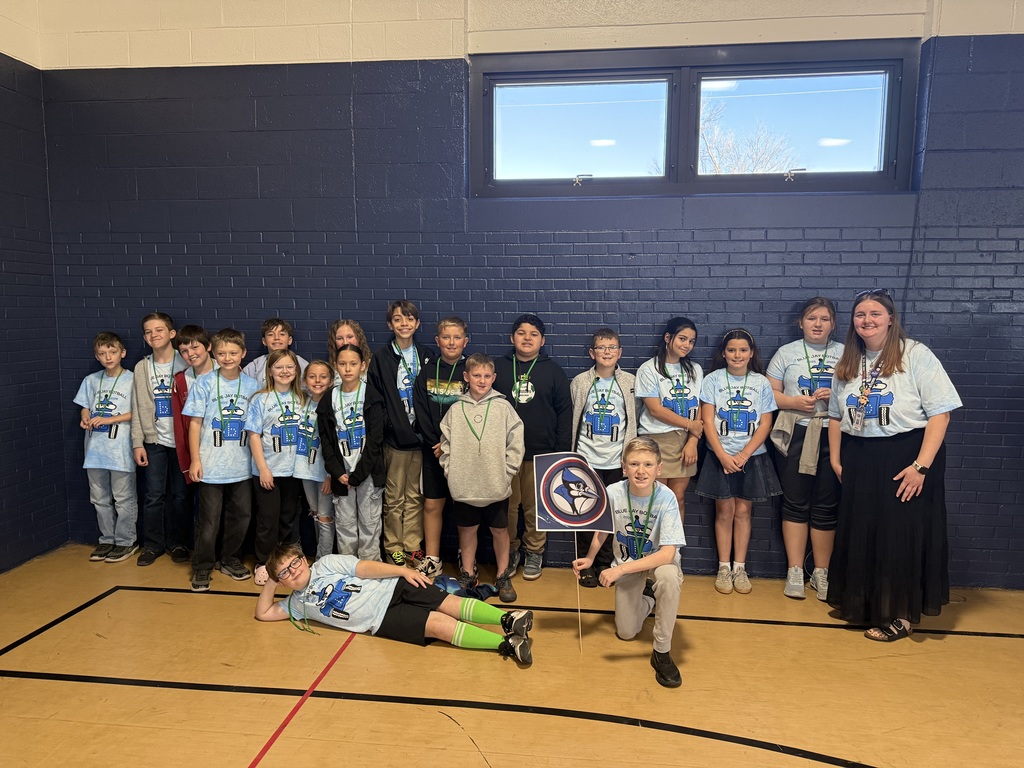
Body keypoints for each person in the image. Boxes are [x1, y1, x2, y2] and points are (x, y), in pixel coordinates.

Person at [827, 289, 961, 642]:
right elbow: (834, 416)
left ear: (890, 318)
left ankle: (901, 614)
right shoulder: (849, 360)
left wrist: (921, 467)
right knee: (865, 531)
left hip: (906, 455)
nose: (866, 320)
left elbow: (941, 414)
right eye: (860, 315)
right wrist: (838, 458)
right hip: (860, 454)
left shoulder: (915, 354)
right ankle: (869, 604)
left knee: (899, 535)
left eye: (874, 313)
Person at [254, 542, 533, 663]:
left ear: (304, 559)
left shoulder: (325, 564)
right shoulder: (296, 604)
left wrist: (403, 571)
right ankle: (506, 644)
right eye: (285, 572)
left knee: (447, 603)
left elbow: (364, 568)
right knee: (437, 625)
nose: (294, 571)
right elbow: (263, 613)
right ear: (281, 581)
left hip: (392, 586)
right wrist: (270, 578)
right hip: (381, 620)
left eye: (295, 562)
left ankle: (507, 619)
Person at [572, 437, 685, 688]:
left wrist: (618, 569)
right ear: (624, 467)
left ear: (659, 469)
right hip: (629, 563)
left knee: (668, 577)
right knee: (625, 633)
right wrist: (590, 558)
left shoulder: (667, 499)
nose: (641, 471)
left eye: (647, 464)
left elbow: (667, 554)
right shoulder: (613, 492)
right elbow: (602, 530)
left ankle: (662, 652)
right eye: (634, 464)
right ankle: (648, 599)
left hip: (655, 563)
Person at [767, 298, 844, 600]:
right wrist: (794, 402)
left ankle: (821, 571)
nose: (818, 324)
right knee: (795, 502)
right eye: (812, 318)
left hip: (832, 433)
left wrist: (835, 394)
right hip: (796, 432)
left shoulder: (845, 353)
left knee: (827, 505)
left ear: (833, 324)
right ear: (800, 322)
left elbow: (857, 391)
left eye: (824, 319)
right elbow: (769, 393)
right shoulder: (786, 353)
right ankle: (795, 569)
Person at [695, 328, 781, 595]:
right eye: (732, 350)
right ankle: (723, 567)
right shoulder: (712, 380)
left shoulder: (761, 382)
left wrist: (744, 455)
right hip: (719, 456)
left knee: (744, 512)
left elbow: (766, 422)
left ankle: (739, 567)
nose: (737, 355)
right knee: (724, 512)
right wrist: (722, 455)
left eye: (743, 350)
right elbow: (707, 420)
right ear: (724, 353)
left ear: (751, 353)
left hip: (751, 458)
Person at [440, 353, 525, 603]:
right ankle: (468, 573)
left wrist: (506, 471)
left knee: (501, 530)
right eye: (477, 375)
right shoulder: (456, 409)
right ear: (466, 377)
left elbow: (516, 442)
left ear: (494, 378)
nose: (482, 380)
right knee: (467, 530)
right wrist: (451, 470)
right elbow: (445, 444)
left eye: (487, 376)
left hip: (495, 484)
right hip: (464, 485)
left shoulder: (503, 407)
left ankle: (502, 574)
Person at [493, 314, 572, 582]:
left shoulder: (553, 371)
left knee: (535, 507)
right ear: (511, 338)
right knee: (508, 506)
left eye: (534, 334)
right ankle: (512, 551)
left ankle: (534, 551)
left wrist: (560, 451)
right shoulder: (497, 369)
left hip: (541, 453)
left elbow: (565, 413)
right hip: (503, 454)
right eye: (522, 333)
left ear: (543, 340)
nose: (527, 338)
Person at [182, 328, 260, 592]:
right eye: (222, 353)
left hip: (242, 466)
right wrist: (195, 460)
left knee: (242, 516)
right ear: (214, 354)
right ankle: (202, 566)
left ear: (243, 354)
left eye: (233, 353)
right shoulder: (203, 383)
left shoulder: (252, 385)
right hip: (211, 464)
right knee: (209, 520)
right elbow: (194, 424)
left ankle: (230, 559)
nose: (228, 358)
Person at [569, 328, 637, 587]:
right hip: (586, 458)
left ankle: (605, 562)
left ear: (619, 352)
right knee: (585, 513)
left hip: (616, 460)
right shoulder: (580, 382)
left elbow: (634, 421)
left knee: (611, 515)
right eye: (600, 347)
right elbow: (574, 417)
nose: (606, 352)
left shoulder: (630, 383)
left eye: (611, 347)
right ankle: (584, 563)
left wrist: (628, 457)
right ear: (592, 353)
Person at [367, 300, 431, 566]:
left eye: (409, 319)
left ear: (417, 324)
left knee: (416, 496)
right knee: (394, 498)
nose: (404, 323)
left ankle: (412, 545)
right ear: (389, 325)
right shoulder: (381, 357)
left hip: (421, 439)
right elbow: (376, 398)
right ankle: (393, 544)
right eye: (397, 319)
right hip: (395, 440)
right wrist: (391, 426)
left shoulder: (427, 355)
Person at [412, 316, 470, 579]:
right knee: (433, 505)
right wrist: (438, 443)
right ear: (437, 341)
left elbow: (476, 413)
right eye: (446, 337)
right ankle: (433, 558)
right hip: (433, 450)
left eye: (457, 337)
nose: (451, 342)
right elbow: (421, 410)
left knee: (463, 507)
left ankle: (465, 557)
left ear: (465, 341)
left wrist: (453, 446)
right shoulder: (427, 371)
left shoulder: (472, 370)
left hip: (463, 454)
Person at [318, 344, 386, 560]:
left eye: (353, 364)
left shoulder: (373, 396)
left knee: (370, 523)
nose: (348, 369)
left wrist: (359, 474)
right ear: (336, 366)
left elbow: (376, 440)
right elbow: (326, 441)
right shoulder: (328, 399)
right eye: (343, 364)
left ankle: (370, 569)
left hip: (367, 471)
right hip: (342, 473)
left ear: (363, 366)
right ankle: (349, 569)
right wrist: (337, 471)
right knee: (345, 525)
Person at [131, 312, 189, 567]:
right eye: (148, 332)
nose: (153, 335)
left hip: (183, 443)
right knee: (154, 495)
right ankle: (153, 545)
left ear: (172, 334)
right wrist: (137, 442)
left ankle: (178, 543)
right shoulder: (142, 367)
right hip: (154, 441)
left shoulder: (186, 362)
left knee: (181, 496)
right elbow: (138, 407)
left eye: (159, 330)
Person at [74, 332, 137, 563]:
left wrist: (110, 420)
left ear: (122, 353)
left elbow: (138, 412)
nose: (108, 357)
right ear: (96, 356)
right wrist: (86, 416)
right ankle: (107, 539)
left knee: (123, 498)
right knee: (99, 499)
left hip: (120, 450)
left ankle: (125, 541)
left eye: (112, 352)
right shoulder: (91, 380)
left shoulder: (132, 379)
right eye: (102, 353)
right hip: (95, 451)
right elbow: (84, 406)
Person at [635, 317, 704, 527]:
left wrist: (693, 440)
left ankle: (673, 550)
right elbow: (655, 409)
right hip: (656, 439)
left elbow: (699, 406)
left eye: (691, 341)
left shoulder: (695, 369)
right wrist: (690, 424)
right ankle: (651, 550)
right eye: (682, 338)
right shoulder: (649, 369)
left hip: (685, 441)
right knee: (655, 499)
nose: (686, 345)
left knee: (677, 498)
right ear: (668, 337)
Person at [246, 349, 305, 586]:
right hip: (269, 471)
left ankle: (287, 563)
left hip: (294, 471)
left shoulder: (303, 399)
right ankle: (263, 562)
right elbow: (253, 436)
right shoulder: (261, 399)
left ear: (296, 370)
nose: (284, 372)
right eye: (279, 367)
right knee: (267, 520)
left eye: (289, 367)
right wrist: (263, 468)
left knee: (289, 518)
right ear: (270, 371)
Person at [168, 324, 214, 563]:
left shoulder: (230, 371)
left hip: (224, 452)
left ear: (208, 347)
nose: (190, 354)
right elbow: (181, 423)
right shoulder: (180, 380)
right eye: (184, 350)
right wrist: (189, 457)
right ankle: (191, 550)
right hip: (196, 451)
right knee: (187, 500)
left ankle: (223, 553)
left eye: (195, 347)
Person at [295, 360, 335, 560]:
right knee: (315, 514)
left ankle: (323, 561)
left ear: (331, 381)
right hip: (306, 470)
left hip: (324, 472)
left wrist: (330, 475)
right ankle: (321, 556)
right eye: (312, 376)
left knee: (325, 518)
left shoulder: (332, 405)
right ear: (304, 380)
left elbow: (335, 443)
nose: (317, 381)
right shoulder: (303, 402)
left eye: (323, 377)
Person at [242, 317, 309, 387]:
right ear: (264, 341)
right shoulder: (255, 366)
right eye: (270, 334)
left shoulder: (301, 364)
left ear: (290, 340)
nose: (276, 338)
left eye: (282, 334)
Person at [327, 318, 372, 384]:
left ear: (358, 338)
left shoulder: (372, 366)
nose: (345, 342)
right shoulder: (329, 370)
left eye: (350, 337)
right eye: (339, 338)